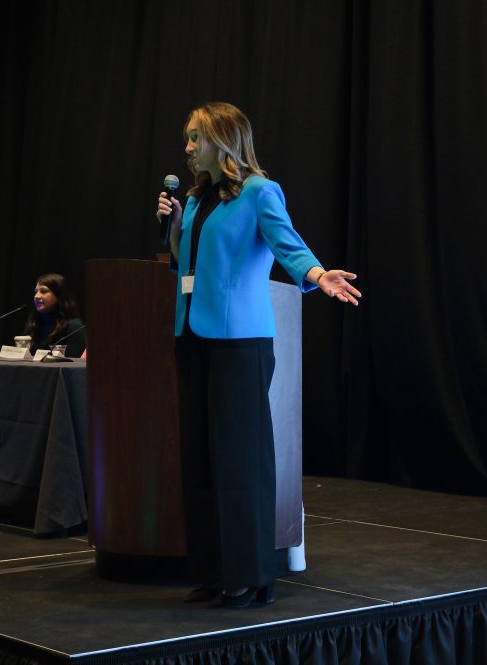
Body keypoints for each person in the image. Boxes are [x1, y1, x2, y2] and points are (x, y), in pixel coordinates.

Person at [156, 101, 361, 608]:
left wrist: (317, 275)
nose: (186, 147)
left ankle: (249, 575)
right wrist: (177, 225)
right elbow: (186, 266)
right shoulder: (202, 200)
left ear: (222, 140)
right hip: (194, 336)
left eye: (194, 138)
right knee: (201, 457)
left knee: (238, 460)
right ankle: (212, 568)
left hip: (240, 344)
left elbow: (287, 245)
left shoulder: (258, 192)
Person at [24, 273, 87, 358]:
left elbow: (73, 364)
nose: (36, 296)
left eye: (43, 291)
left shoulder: (74, 327)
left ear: (59, 295)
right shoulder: (34, 324)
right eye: (36, 292)